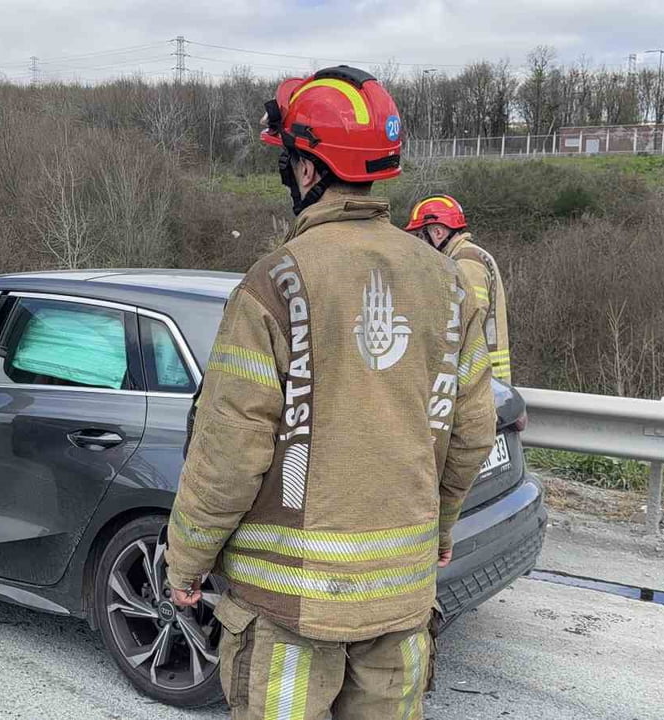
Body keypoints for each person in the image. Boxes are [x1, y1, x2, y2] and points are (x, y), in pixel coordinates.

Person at [164, 67, 496, 719]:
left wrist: (187, 559)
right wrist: (442, 526)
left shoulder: (275, 283)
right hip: (400, 604)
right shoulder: (448, 283)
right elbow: (472, 430)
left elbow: (230, 450)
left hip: (289, 610)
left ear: (309, 171)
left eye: (288, 162)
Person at [406, 196, 511, 381]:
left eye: (420, 236)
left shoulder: (466, 261)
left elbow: (466, 321)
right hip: (478, 378)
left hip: (479, 381)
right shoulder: (460, 259)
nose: (418, 245)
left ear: (438, 232)